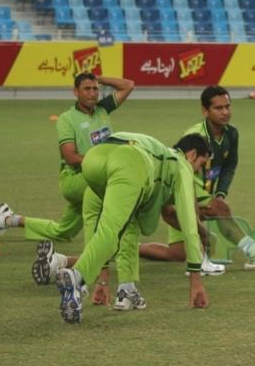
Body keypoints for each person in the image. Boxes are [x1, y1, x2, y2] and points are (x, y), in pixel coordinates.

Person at [54, 132, 211, 324]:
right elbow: (189, 224)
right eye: (200, 166)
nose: (196, 172)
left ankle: (126, 290)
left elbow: (107, 227)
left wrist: (103, 280)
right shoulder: (182, 165)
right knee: (112, 229)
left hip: (94, 158)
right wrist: (196, 279)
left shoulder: (158, 154)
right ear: (192, 155)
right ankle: (77, 277)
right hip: (129, 161)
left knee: (118, 225)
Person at [138, 85, 255, 272]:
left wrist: (221, 193)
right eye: (218, 108)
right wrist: (204, 201)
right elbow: (180, 170)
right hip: (183, 191)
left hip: (202, 194)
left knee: (177, 254)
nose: (225, 112)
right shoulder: (195, 136)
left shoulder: (232, 134)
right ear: (204, 110)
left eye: (227, 106)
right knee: (220, 210)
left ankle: (128, 249)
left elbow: (229, 166)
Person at [0, 73, 135, 252]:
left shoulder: (103, 109)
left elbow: (128, 85)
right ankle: (113, 247)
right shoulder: (67, 119)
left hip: (94, 177)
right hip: (75, 178)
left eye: (95, 89)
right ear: (75, 92)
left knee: (64, 231)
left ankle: (9, 219)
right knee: (114, 191)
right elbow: (71, 157)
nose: (92, 93)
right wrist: (103, 163)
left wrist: (100, 79)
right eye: (87, 89)